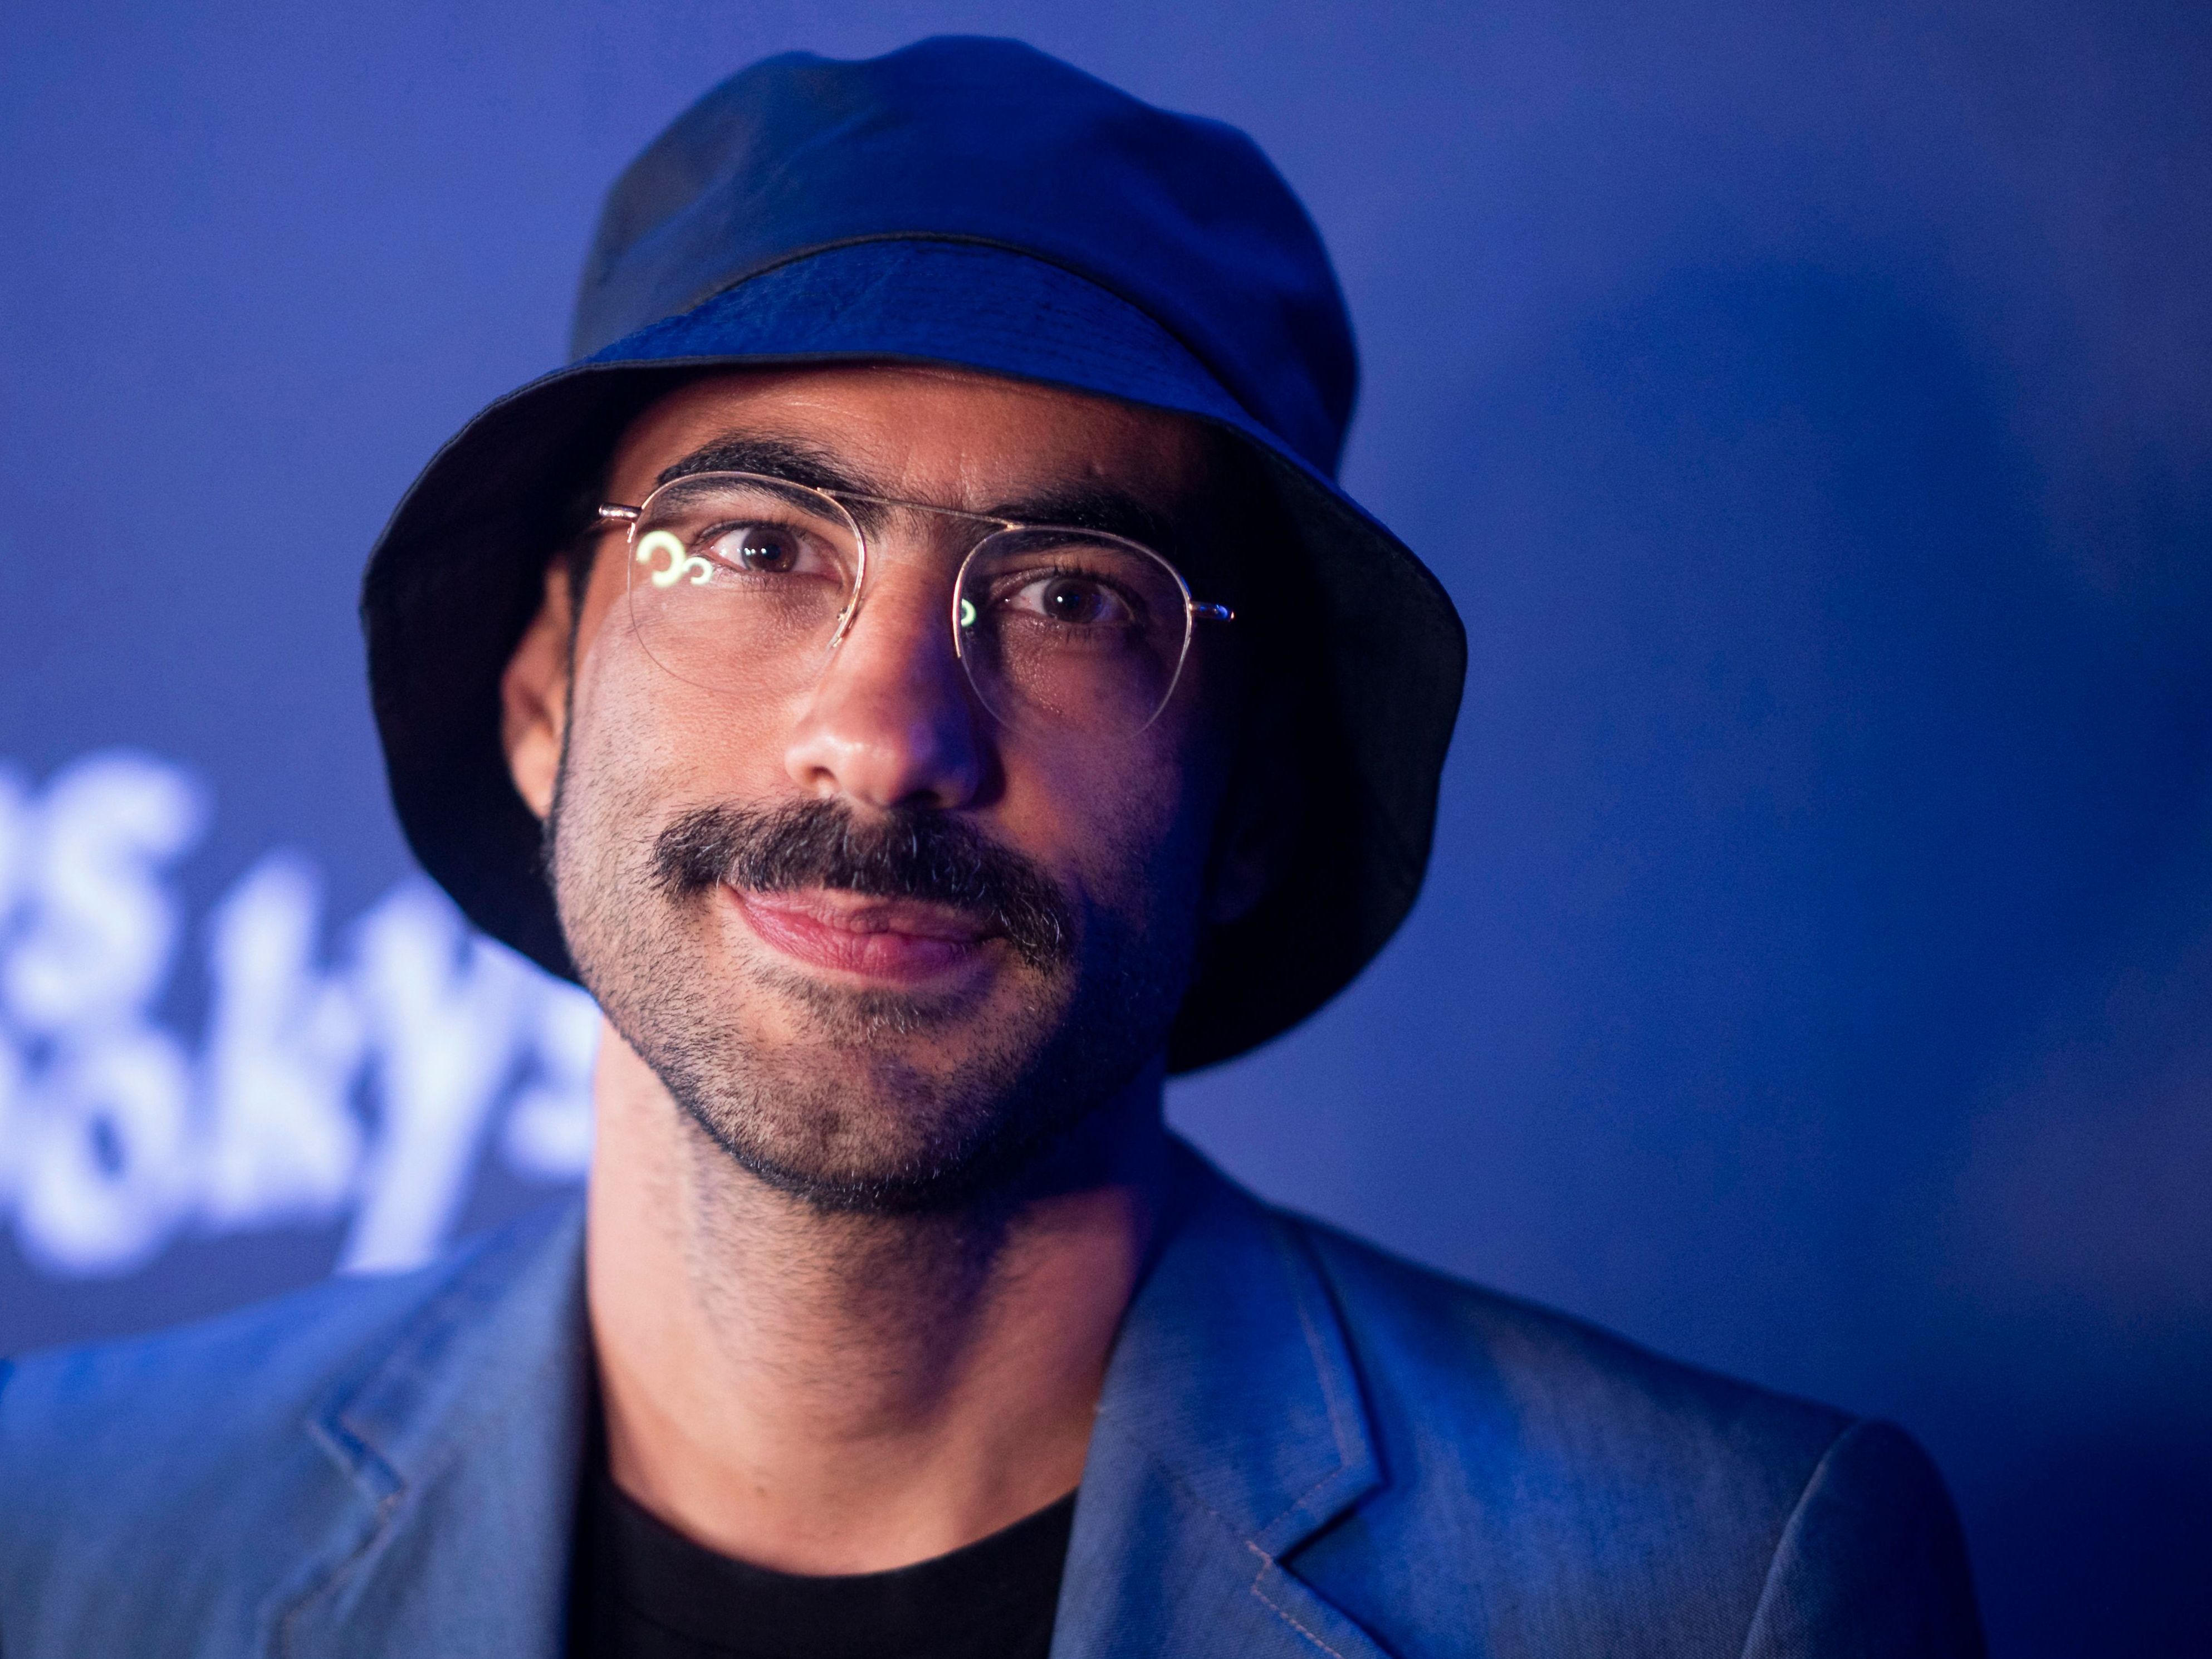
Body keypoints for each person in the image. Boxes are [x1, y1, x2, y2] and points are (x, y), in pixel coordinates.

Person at [0, 37, 1984, 1659]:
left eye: (1069, 598)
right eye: (756, 546)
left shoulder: (1709, 1592)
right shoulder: (63, 1526)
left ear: (1254, 805)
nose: (883, 737)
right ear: (543, 695)